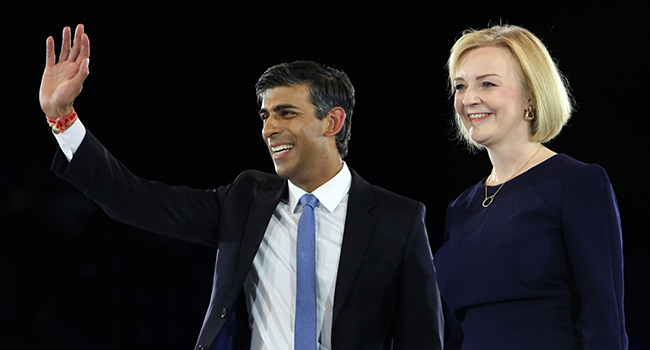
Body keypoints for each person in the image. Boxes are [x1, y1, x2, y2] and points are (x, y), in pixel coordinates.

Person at [40, 24, 443, 350]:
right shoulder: (245, 199)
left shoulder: (398, 218)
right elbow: (136, 200)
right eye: (266, 115)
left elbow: (422, 338)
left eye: (286, 113)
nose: (269, 129)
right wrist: (64, 119)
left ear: (332, 122)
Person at [433, 24, 628, 350]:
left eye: (488, 84)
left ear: (531, 97)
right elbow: (455, 331)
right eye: (460, 86)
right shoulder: (460, 207)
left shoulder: (577, 183)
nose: (469, 99)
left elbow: (604, 320)